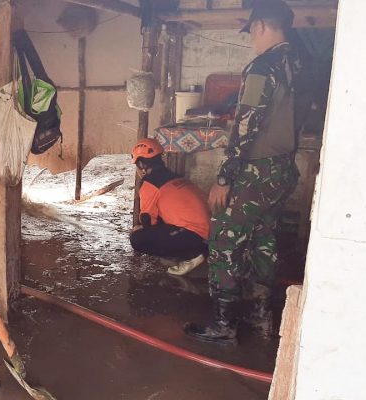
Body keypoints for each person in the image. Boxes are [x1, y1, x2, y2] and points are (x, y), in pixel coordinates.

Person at [183, 0, 308, 346]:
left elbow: (248, 122)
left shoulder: (262, 67)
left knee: (224, 239)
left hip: (254, 171)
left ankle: (224, 324)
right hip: (282, 170)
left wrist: (224, 178)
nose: (252, 39)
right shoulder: (300, 64)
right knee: (263, 241)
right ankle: (261, 318)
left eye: (251, 32)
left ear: (261, 27)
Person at [130, 138, 211, 276]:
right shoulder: (175, 176)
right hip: (211, 229)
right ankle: (193, 249)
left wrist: (139, 229)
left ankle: (193, 255)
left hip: (196, 235)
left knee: (138, 239)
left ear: (142, 165)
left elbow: (148, 220)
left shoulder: (150, 184)